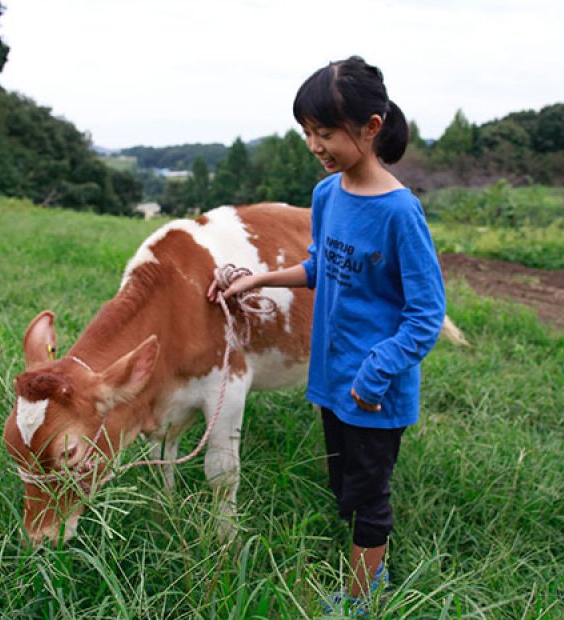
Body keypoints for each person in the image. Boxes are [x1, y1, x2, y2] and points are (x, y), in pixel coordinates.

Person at [208, 56, 447, 610]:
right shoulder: (328, 195)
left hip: (373, 386)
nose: (315, 145)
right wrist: (262, 276)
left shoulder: (400, 213)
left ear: (371, 127)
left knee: (368, 498)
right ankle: (368, 566)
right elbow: (320, 265)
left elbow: (426, 313)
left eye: (326, 132)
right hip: (331, 375)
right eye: (307, 133)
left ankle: (364, 596)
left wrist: (376, 372)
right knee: (343, 486)